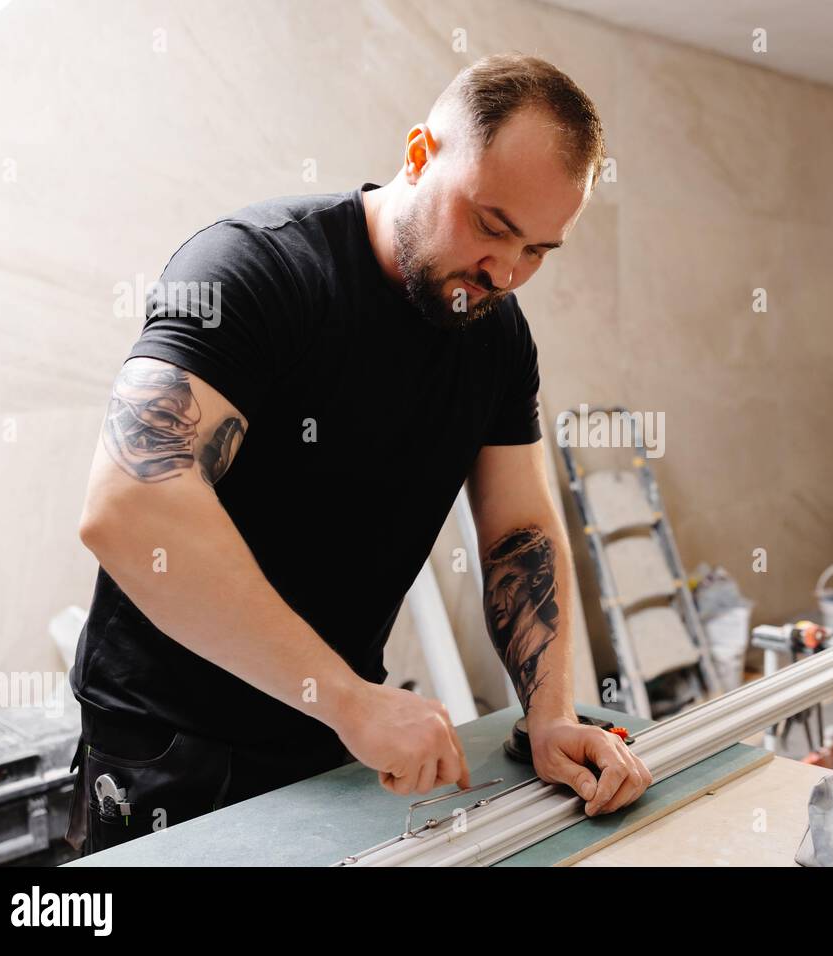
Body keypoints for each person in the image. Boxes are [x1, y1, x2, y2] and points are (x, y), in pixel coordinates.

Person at [67, 53, 650, 856]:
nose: (505, 272)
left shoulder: (497, 334)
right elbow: (130, 506)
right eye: (491, 225)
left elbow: (519, 530)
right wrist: (349, 699)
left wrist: (549, 714)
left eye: (540, 251)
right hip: (173, 745)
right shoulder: (256, 269)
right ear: (419, 156)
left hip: (333, 737)